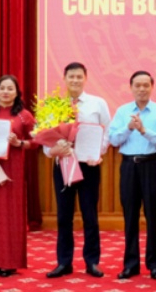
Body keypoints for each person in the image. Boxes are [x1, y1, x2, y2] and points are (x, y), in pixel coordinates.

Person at [45, 62, 111, 279]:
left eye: (79, 76)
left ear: (85, 78)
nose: (75, 80)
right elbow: (45, 138)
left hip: (88, 166)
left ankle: (92, 262)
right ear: (64, 79)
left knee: (89, 215)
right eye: (71, 76)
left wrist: (97, 154)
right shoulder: (54, 105)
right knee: (64, 216)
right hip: (63, 164)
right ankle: (64, 262)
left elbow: (106, 133)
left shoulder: (97, 103)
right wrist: (55, 150)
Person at [109, 71, 156, 280]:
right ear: (131, 87)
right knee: (130, 216)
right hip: (129, 166)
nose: (142, 89)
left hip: (152, 165)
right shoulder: (122, 111)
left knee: (154, 215)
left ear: (152, 87)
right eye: (138, 85)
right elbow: (114, 139)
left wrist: (144, 131)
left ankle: (155, 264)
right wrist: (128, 128)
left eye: (146, 85)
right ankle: (131, 264)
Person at [0, 75, 35, 278]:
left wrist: (19, 142)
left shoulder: (24, 116)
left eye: (10, 89)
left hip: (12, 169)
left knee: (9, 213)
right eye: (2, 88)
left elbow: (35, 141)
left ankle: (8, 263)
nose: (6, 92)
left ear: (17, 93)